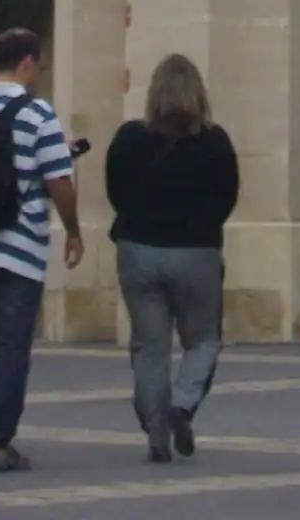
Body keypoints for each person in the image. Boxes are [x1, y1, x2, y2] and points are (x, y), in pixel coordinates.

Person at [0, 26, 83, 473]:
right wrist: (73, 230)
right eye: (38, 66)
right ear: (27, 62)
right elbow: (58, 180)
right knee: (11, 343)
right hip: (18, 247)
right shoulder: (38, 114)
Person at [103, 53, 240, 464]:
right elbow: (227, 197)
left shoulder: (128, 138)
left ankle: (156, 435)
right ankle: (182, 403)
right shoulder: (215, 142)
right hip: (195, 251)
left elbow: (115, 191)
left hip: (138, 249)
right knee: (203, 339)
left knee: (149, 346)